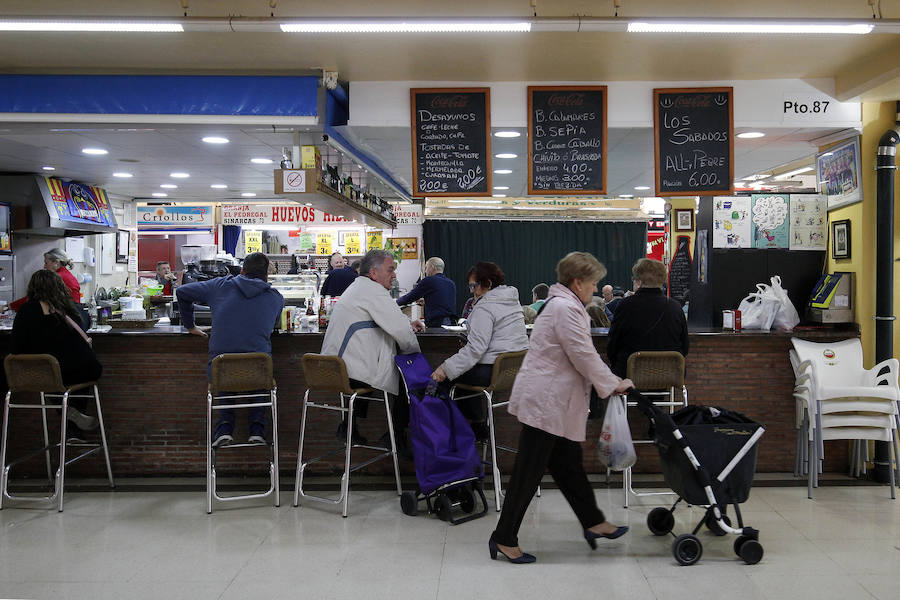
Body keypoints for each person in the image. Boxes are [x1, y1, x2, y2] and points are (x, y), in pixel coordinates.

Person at [490, 251, 633, 564]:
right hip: (546, 403)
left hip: (553, 401)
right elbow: (582, 354)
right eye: (594, 283)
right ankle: (503, 537)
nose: (596, 289)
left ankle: (593, 522)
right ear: (578, 282)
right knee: (528, 473)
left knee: (569, 467)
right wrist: (612, 383)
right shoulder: (565, 308)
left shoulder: (564, 305)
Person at [176, 252, 285, 447]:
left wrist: (190, 326)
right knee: (257, 363)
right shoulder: (276, 298)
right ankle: (257, 430)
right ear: (266, 275)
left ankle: (224, 428)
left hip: (221, 370)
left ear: (242, 270)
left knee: (226, 363)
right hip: (258, 372)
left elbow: (182, 292)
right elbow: (272, 324)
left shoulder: (219, 285)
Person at [321, 249, 424, 445]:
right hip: (350, 371)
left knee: (389, 369)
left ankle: (350, 425)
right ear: (373, 273)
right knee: (409, 376)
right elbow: (403, 333)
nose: (394, 274)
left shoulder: (359, 287)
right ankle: (397, 436)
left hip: (335, 367)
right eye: (390, 269)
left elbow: (379, 320)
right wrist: (416, 357)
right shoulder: (373, 291)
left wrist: (405, 325)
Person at [430, 262, 528, 436]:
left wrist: (443, 369)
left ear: (488, 284)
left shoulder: (485, 307)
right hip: (512, 370)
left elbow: (475, 350)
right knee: (463, 376)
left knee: (441, 380)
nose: (471, 291)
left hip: (491, 371)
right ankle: (475, 426)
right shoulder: (513, 302)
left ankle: (441, 435)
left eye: (474, 286)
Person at [11, 270, 102, 443]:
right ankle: (73, 427)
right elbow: (87, 323)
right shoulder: (71, 308)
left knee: (50, 374)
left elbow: (16, 347)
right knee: (75, 372)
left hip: (39, 373)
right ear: (60, 287)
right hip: (79, 371)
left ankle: (65, 409)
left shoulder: (27, 311)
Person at [606, 258, 689, 378]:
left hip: (630, 372)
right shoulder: (675, 307)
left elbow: (613, 343)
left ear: (639, 281)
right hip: (669, 374)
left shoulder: (625, 305)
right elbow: (685, 346)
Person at [10, 248, 81, 313]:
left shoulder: (56, 277)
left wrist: (10, 306)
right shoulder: (66, 274)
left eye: (46, 263)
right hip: (75, 314)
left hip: (67, 315)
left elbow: (35, 297)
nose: (44, 266)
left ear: (56, 262)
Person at [396, 257, 457, 327]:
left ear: (432, 267)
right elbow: (443, 302)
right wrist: (427, 300)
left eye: (426, 267)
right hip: (451, 323)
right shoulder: (451, 283)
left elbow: (410, 297)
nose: (425, 271)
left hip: (437, 323)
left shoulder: (429, 280)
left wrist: (394, 303)